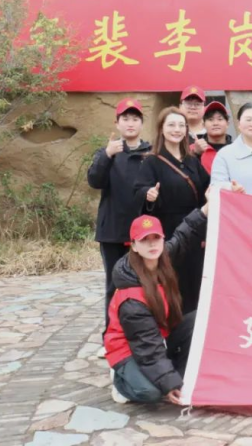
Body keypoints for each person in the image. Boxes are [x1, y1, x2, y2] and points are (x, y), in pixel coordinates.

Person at [104, 205, 206, 405]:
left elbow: (184, 234)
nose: (152, 244)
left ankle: (172, 374)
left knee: (197, 320)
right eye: (144, 240)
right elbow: (147, 346)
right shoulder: (131, 296)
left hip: (158, 336)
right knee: (151, 392)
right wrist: (168, 384)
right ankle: (121, 380)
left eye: (156, 238)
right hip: (129, 347)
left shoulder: (161, 258)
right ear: (134, 246)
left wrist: (206, 208)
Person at [87, 98, 152, 343]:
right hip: (113, 231)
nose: (130, 123)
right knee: (114, 285)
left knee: (145, 285)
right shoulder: (107, 152)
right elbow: (94, 181)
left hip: (144, 232)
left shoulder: (150, 153)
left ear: (142, 124)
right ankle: (112, 337)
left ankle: (143, 336)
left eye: (135, 119)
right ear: (117, 123)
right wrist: (106, 155)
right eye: (125, 118)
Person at [134, 107, 210, 314]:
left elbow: (207, 188)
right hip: (169, 230)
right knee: (173, 280)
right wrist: (148, 194)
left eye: (181, 125)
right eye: (171, 125)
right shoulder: (152, 161)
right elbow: (139, 190)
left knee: (195, 279)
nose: (177, 129)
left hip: (195, 229)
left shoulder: (192, 160)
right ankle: (173, 324)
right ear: (161, 129)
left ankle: (193, 326)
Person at [191, 101, 231, 174]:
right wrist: (196, 154)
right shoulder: (192, 149)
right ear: (203, 125)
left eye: (220, 119)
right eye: (210, 119)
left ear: (227, 124)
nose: (215, 123)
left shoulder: (235, 150)